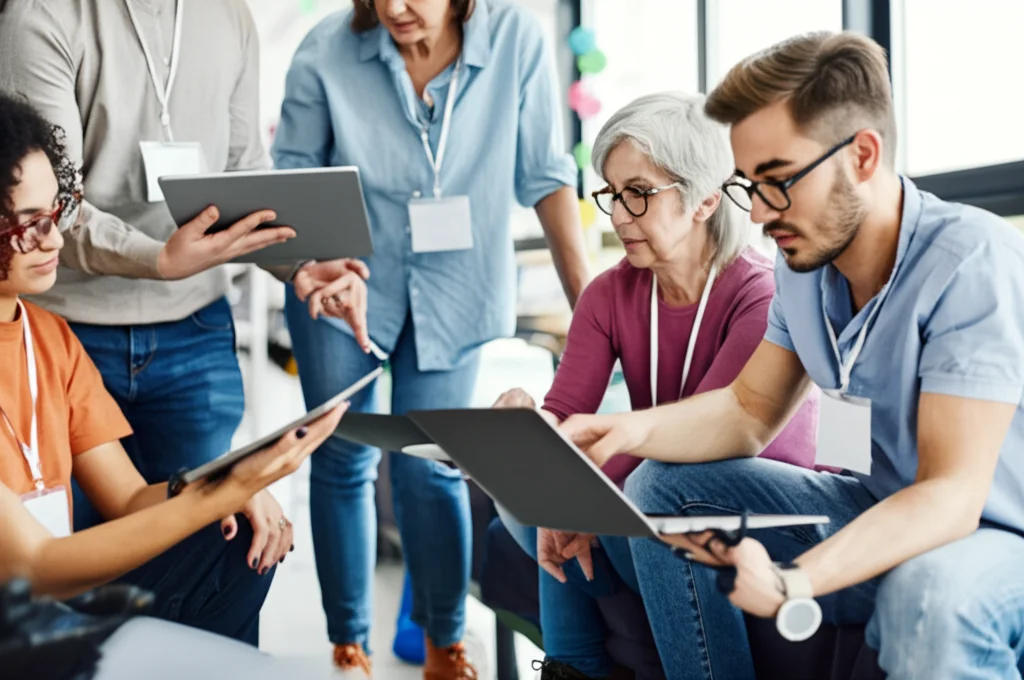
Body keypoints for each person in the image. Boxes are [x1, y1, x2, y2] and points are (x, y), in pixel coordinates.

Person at [560, 31, 1024, 680]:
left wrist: (796, 582)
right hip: (870, 503)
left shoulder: (970, 261)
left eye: (778, 181)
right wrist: (624, 431)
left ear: (863, 155)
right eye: (750, 185)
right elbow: (749, 410)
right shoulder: (803, 267)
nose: (759, 216)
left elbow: (951, 495)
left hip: (993, 535)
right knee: (657, 487)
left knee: (931, 597)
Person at [271, 0, 591, 676]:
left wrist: (590, 306)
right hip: (345, 279)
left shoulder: (513, 40)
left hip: (457, 283)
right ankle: (347, 644)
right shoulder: (325, 50)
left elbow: (545, 174)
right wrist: (316, 267)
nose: (394, 7)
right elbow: (292, 176)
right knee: (343, 459)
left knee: (434, 462)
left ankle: (445, 643)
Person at [0, 0, 371, 542]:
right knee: (78, 548)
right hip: (70, 330)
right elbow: (51, 204)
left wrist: (299, 263)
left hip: (195, 327)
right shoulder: (42, 16)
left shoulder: (228, 17)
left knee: (221, 534)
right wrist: (159, 260)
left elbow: (244, 171)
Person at [491, 92, 820, 680]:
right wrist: (524, 432)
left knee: (642, 492)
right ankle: (576, 670)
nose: (619, 216)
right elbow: (566, 413)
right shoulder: (609, 294)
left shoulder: (759, 293)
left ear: (705, 198)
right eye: (612, 195)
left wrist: (573, 488)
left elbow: (718, 437)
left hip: (743, 505)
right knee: (527, 501)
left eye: (638, 194)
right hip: (653, 494)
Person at [0, 92, 346, 644]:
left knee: (231, 539)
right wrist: (217, 494)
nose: (53, 238)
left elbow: (131, 500)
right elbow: (34, 566)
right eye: (26, 224)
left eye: (55, 213)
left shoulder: (49, 337)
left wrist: (224, 485)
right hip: (19, 617)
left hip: (50, 614)